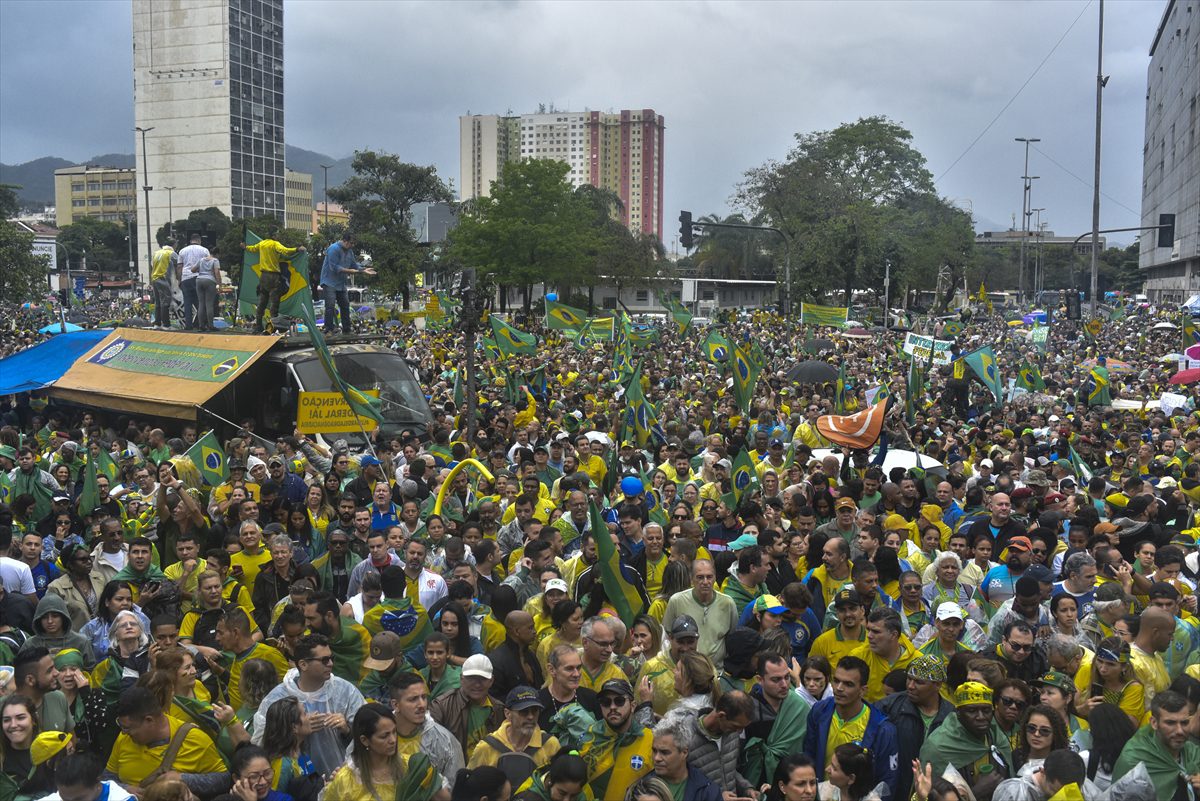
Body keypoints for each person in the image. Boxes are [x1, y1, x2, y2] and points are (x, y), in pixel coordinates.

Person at [251, 634, 363, 778]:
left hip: (343, 779)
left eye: (331, 658)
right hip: (298, 784)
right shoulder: (277, 698)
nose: (330, 664)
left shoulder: (344, 691)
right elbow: (262, 744)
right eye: (324, 660)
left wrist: (347, 729)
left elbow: (368, 734)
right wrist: (295, 728)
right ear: (303, 664)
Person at [106, 686, 227, 795]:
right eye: (121, 726)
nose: (123, 732)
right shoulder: (124, 738)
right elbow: (106, 777)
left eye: (127, 728)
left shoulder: (195, 739)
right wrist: (124, 789)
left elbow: (224, 780)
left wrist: (182, 779)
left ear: (149, 720)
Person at [802, 655, 898, 790]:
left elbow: (887, 780)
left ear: (863, 690)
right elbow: (808, 756)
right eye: (836, 681)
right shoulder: (819, 712)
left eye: (848, 684)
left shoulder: (882, 729)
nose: (839, 688)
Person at [320, 702, 447, 801]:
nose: (393, 740)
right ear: (365, 740)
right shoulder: (346, 779)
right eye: (384, 736)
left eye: (394, 732)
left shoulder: (412, 767)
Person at [919, 681, 1013, 797]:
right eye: (972, 711)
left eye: (986, 711)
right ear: (958, 713)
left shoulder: (996, 737)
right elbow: (928, 796)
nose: (981, 717)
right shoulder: (937, 747)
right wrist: (975, 792)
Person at [879, 655, 952, 801]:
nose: (910, 686)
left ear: (937, 685)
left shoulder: (951, 716)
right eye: (909, 679)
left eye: (919, 682)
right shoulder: (889, 706)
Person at [467, 686, 559, 790]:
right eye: (524, 712)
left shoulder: (550, 744)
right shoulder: (486, 747)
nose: (531, 717)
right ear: (507, 714)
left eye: (535, 711)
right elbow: (470, 789)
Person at [1113, 689, 1200, 800]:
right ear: (1154, 723)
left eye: (1184, 723)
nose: (1179, 730)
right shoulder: (1134, 762)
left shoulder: (1193, 753)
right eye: (1170, 723)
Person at [386, 672, 465, 791]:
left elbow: (456, 790)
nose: (422, 704)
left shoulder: (445, 740)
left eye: (424, 697)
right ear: (396, 705)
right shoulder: (377, 734)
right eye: (413, 699)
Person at [576, 679, 653, 799]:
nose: (612, 707)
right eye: (606, 702)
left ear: (633, 706)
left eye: (619, 701)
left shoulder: (649, 739)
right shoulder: (589, 737)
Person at [661, 559, 738, 670]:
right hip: (683, 670)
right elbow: (666, 637)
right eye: (700, 577)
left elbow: (732, 640)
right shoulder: (677, 601)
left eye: (709, 577)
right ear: (691, 579)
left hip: (716, 671)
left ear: (715, 578)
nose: (705, 582)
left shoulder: (728, 603)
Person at [430, 654, 505, 758]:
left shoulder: (499, 709)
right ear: (461, 678)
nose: (477, 684)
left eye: (482, 679)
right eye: (471, 678)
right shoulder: (441, 706)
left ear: (491, 681)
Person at [646, 716, 721, 801]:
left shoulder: (707, 792)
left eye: (665, 752)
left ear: (684, 752)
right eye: (654, 751)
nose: (657, 758)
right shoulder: (640, 789)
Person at [242, 237, 306, 333]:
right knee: (274, 303)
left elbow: (252, 248)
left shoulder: (262, 244)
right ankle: (273, 326)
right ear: (275, 236)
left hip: (263, 276)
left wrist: (245, 247)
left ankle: (258, 325)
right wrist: (297, 249)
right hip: (273, 276)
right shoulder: (275, 244)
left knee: (262, 302)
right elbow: (285, 251)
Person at [319, 234, 375, 334]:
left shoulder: (349, 251)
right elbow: (334, 268)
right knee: (330, 305)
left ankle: (346, 329)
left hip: (341, 283)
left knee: (345, 305)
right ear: (345, 241)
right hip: (329, 282)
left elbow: (354, 265)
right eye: (351, 243)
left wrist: (363, 269)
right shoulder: (333, 249)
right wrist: (350, 271)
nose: (352, 245)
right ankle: (328, 328)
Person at [992, 749, 1087, 801]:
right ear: (1042, 772)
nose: (1060, 798)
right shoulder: (1013, 793)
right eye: (1055, 791)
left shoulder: (1083, 787)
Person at [514, 749, 589, 801]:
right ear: (550, 780)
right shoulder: (526, 796)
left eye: (573, 796)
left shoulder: (584, 792)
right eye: (562, 793)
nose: (566, 800)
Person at [177, 233, 210, 330]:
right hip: (199, 278)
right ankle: (202, 324)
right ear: (199, 240)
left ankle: (188, 326)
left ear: (191, 240)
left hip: (186, 278)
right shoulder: (204, 250)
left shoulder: (182, 251)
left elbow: (179, 266)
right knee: (200, 302)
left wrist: (179, 280)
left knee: (187, 302)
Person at [151, 243, 179, 328]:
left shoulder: (156, 253)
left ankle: (157, 323)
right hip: (163, 279)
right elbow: (179, 263)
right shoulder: (171, 253)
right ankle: (166, 324)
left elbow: (152, 265)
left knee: (158, 302)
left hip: (154, 278)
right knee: (165, 302)